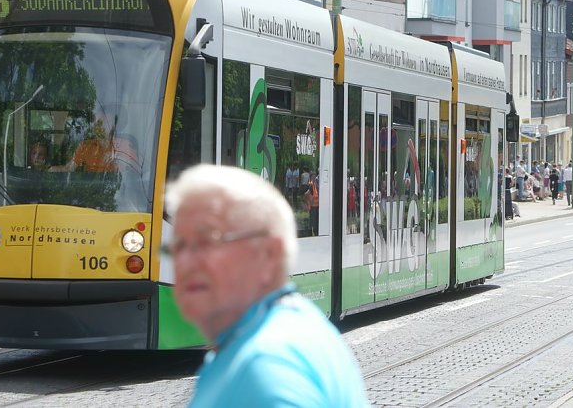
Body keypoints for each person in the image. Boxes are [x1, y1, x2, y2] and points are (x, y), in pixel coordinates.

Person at [164, 165, 370, 407]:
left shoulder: (265, 367)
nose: (185, 262)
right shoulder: (283, 330)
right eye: (178, 246)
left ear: (268, 254)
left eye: (207, 242)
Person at [52, 113, 138, 173]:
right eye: (97, 123)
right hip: (89, 195)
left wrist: (115, 156)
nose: (99, 127)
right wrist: (51, 170)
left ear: (113, 127)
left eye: (104, 123)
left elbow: (136, 170)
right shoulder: (85, 146)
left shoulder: (124, 145)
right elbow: (70, 168)